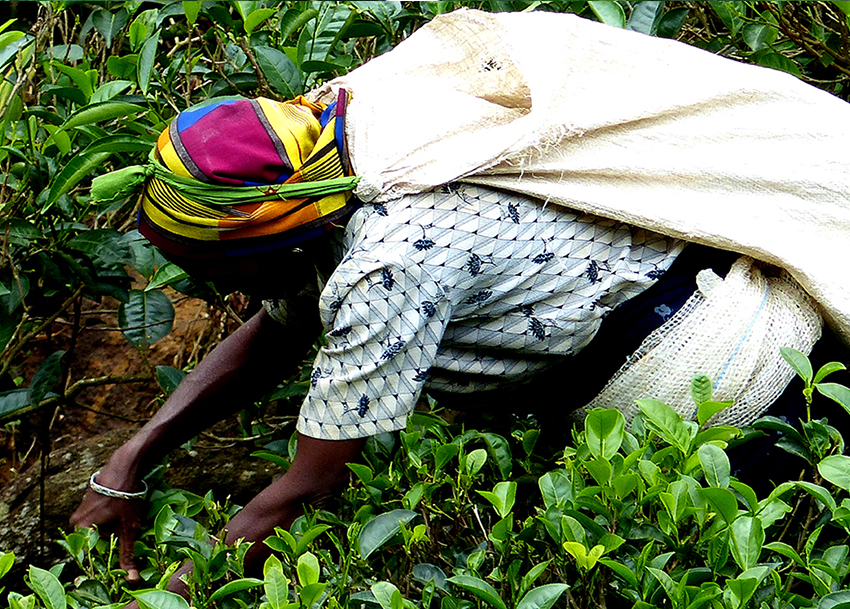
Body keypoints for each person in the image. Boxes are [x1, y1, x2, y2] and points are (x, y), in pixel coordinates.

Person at [71, 87, 848, 597]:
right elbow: (274, 332)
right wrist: (128, 462)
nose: (230, 296)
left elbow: (307, 486)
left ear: (262, 237)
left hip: (734, 389)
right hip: (694, 341)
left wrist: (179, 587)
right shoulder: (342, 148)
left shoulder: (386, 263)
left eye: (217, 270)